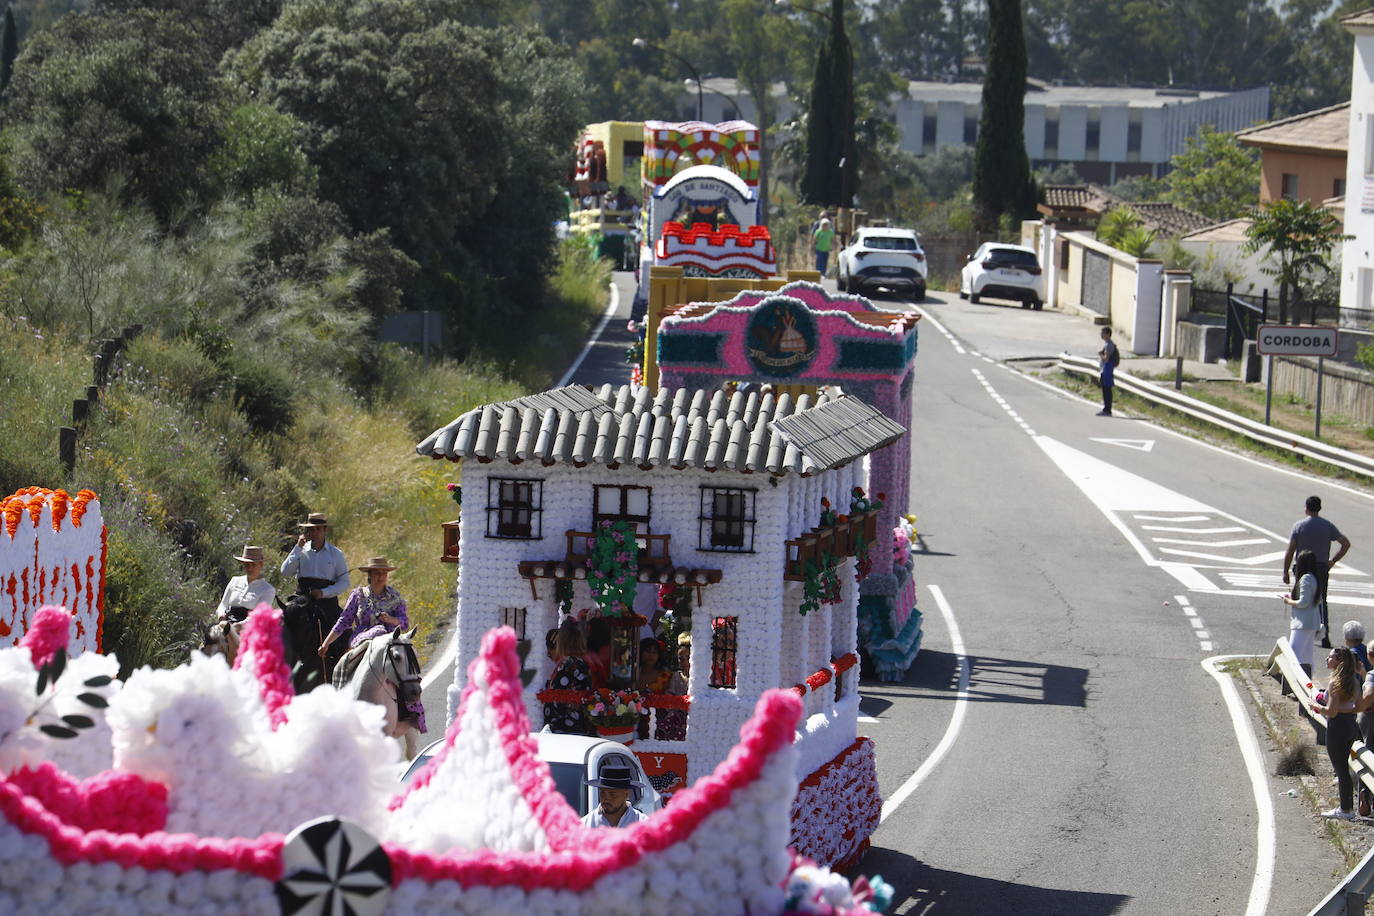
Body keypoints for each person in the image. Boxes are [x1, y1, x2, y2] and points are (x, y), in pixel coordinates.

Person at [279, 512, 351, 686]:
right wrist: (296, 548)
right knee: (281, 621)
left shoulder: (335, 554)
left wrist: (324, 592)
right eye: (312, 530)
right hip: (302, 599)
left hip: (326, 602)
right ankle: (284, 662)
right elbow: (285, 571)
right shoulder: (300, 550)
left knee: (344, 631)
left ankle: (338, 669)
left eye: (318, 529)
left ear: (324, 530)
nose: (315, 533)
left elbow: (344, 583)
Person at [1282, 495, 1352, 649]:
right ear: (1319, 508)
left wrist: (1285, 571)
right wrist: (1332, 561)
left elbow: (1290, 550)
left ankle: (1300, 630)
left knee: (1300, 598)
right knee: (1321, 600)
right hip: (1321, 567)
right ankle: (1324, 635)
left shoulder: (1299, 526)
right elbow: (1345, 544)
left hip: (1302, 567)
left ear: (1306, 508)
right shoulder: (1327, 526)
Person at [1311, 646, 1363, 819]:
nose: (1327, 659)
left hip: (1337, 727)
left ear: (1339, 662)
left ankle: (1346, 809)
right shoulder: (1355, 681)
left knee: (1340, 769)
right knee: (1344, 768)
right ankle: (1347, 808)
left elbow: (1332, 711)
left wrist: (1317, 707)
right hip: (1351, 725)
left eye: (1331, 657)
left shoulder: (1335, 683)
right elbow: (1359, 705)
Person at [544, 619, 595, 736]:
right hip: (576, 726)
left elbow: (559, 697)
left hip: (565, 729)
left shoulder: (567, 664)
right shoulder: (579, 662)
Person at [1282, 550, 1322, 677]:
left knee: (1293, 654)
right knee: (1307, 656)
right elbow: (1314, 599)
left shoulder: (1305, 579)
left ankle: (1295, 681)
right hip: (1311, 622)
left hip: (1302, 623)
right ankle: (1309, 682)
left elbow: (1303, 602)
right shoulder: (1314, 577)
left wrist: (1289, 601)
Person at [215, 545, 276, 621]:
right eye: (247, 564)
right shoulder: (235, 581)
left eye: (253, 565)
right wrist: (221, 615)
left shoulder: (267, 589)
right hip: (228, 623)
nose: (250, 568)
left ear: (261, 564)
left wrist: (241, 625)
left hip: (250, 627)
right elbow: (224, 604)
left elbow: (259, 615)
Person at [580, 762, 647, 828]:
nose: (606, 798)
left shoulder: (642, 824)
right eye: (602, 792)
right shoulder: (585, 825)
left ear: (626, 794)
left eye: (612, 794)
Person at [1096, 327, 1119, 417]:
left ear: (1108, 334)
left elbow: (1106, 358)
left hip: (1107, 369)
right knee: (1105, 389)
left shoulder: (1109, 345)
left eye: (1103, 333)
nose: (1101, 335)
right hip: (1106, 369)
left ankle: (1107, 410)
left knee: (1107, 390)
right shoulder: (1107, 344)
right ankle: (1106, 409)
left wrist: (1100, 354)